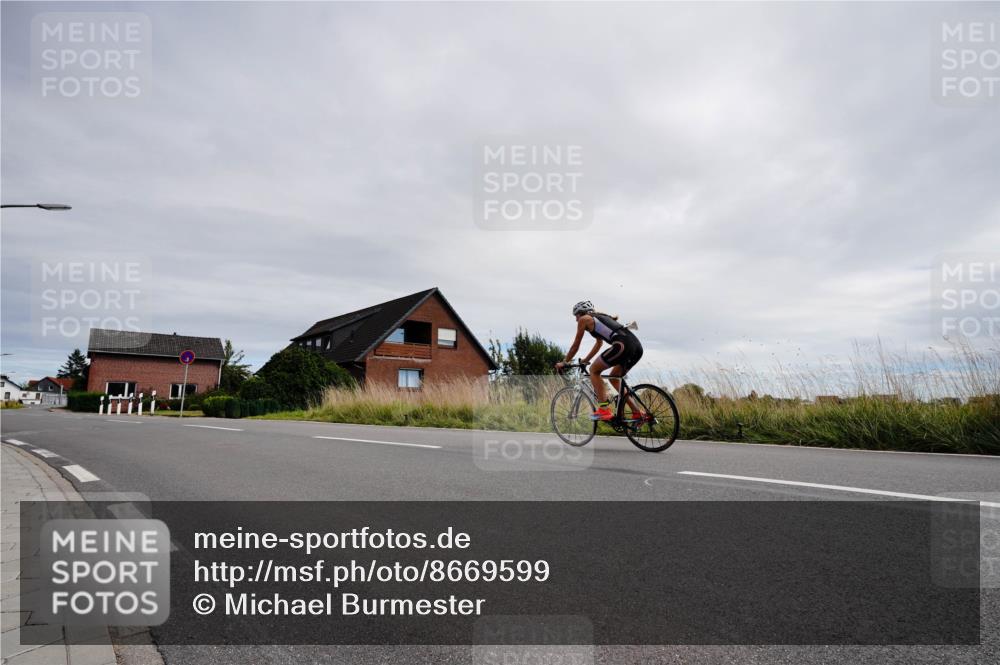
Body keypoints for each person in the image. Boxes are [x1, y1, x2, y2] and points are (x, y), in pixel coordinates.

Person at [555, 300, 645, 421]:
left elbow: (575, 346)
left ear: (581, 313)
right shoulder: (600, 318)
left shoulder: (584, 319)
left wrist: (564, 362)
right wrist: (586, 360)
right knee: (614, 377)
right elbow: (599, 343)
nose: (576, 320)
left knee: (594, 370)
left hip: (622, 345)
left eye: (576, 316)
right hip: (637, 347)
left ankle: (604, 410)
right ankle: (637, 412)